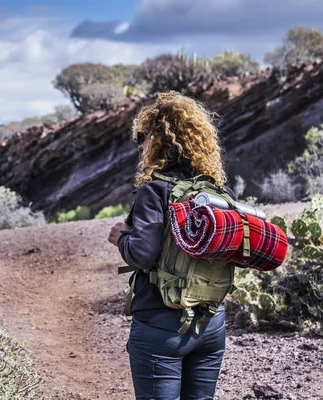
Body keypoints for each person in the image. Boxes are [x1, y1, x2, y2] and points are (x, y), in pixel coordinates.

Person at [107, 91, 235, 400]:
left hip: (161, 326)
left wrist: (120, 238)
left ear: (156, 142)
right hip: (211, 323)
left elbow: (142, 253)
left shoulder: (156, 190)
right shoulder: (219, 192)